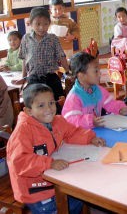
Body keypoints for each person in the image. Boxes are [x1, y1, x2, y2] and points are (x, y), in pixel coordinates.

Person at [7, 83, 106, 214]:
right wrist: (50, 163)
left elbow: (73, 132)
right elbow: (20, 161)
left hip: (56, 181)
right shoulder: (23, 132)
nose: (48, 109)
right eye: (41, 105)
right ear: (28, 111)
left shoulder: (57, 121)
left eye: (51, 103)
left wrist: (90, 138)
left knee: (79, 200)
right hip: (35, 190)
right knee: (64, 207)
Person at [13, 7, 71, 106]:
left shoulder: (53, 39)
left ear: (49, 23)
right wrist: (23, 77)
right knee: (35, 105)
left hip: (51, 78)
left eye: (45, 24)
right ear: (31, 24)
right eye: (38, 24)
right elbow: (24, 59)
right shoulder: (26, 38)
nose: (42, 27)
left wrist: (67, 71)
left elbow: (62, 56)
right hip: (33, 79)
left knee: (57, 103)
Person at [62, 52, 127, 129]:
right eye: (96, 71)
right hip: (81, 136)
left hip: (95, 133)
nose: (100, 74)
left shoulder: (98, 90)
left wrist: (120, 109)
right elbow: (71, 121)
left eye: (99, 70)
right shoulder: (74, 97)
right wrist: (90, 121)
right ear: (81, 75)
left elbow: (110, 103)